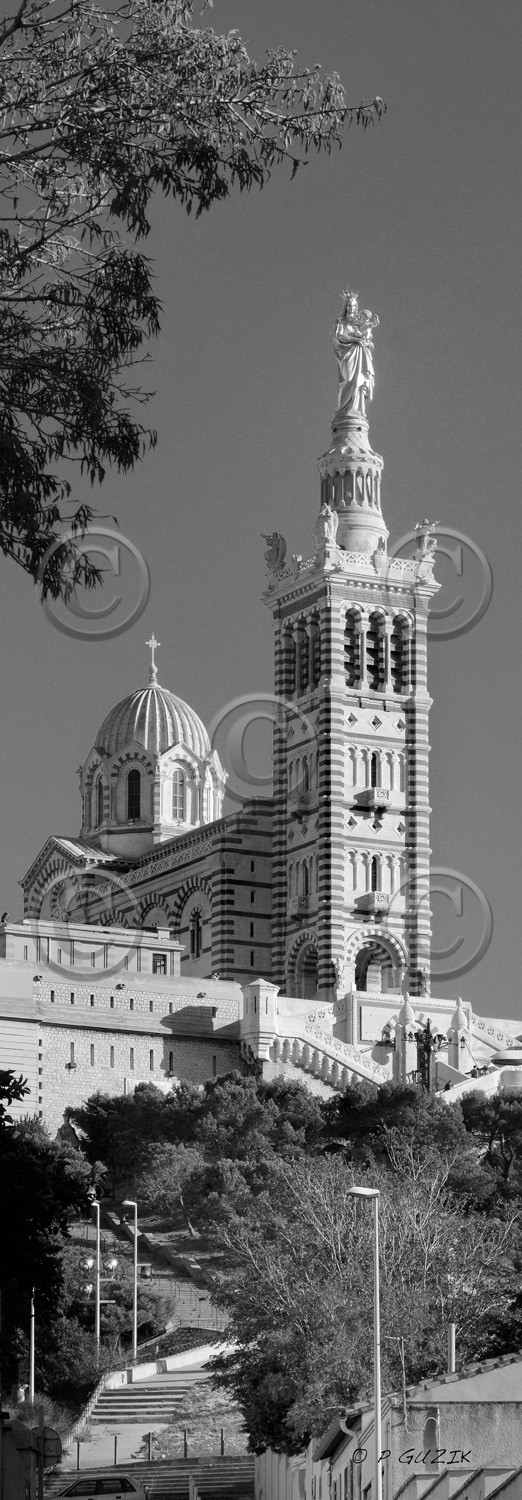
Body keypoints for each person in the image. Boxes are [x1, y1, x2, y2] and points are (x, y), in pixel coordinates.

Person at [333, 290, 378, 417]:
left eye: (354, 305)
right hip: (348, 354)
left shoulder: (360, 323)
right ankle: (344, 409)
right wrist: (355, 339)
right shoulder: (341, 322)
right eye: (349, 305)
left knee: (359, 382)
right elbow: (340, 336)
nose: (352, 308)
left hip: (361, 354)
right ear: (345, 307)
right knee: (349, 381)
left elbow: (368, 339)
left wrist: (367, 342)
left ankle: (357, 408)